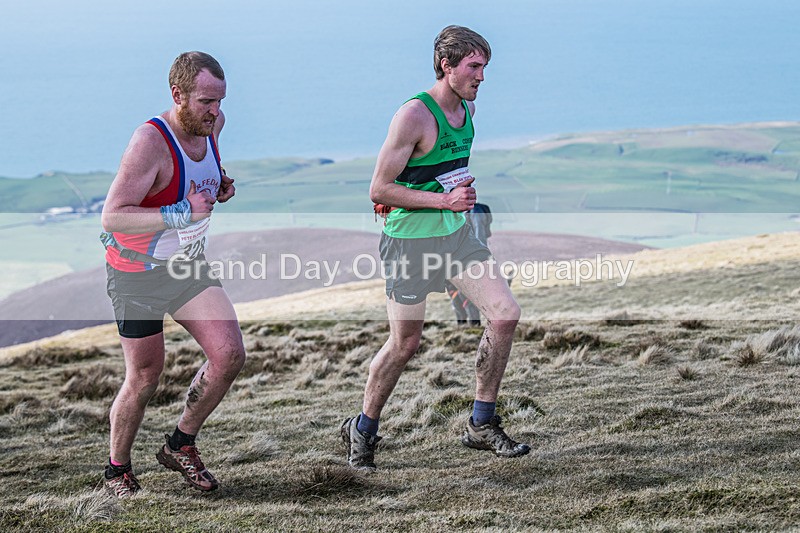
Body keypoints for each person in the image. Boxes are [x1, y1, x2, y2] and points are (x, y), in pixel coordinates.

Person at [342, 26, 529, 471]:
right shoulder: (413, 115)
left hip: (456, 236)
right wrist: (443, 198)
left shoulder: (466, 108)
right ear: (447, 66)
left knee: (504, 313)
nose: (482, 77)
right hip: (409, 244)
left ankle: (481, 423)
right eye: (474, 67)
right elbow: (378, 188)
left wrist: (454, 191)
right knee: (405, 344)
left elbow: (437, 171)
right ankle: (363, 429)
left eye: (484, 67)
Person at [99, 51, 245, 497]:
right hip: (137, 272)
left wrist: (219, 184)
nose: (215, 112)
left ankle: (180, 443)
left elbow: (198, 177)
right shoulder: (150, 141)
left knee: (229, 354)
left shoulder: (211, 127)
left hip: (186, 265)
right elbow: (112, 217)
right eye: (205, 101)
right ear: (177, 94)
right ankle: (117, 470)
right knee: (145, 377)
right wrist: (181, 212)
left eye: (220, 101)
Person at [445, 202, 493, 325]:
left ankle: (470, 325)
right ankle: (467, 325)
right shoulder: (479, 210)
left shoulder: (476, 212)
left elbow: (480, 237)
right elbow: (482, 236)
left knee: (464, 293)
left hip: (463, 259)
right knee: (459, 292)